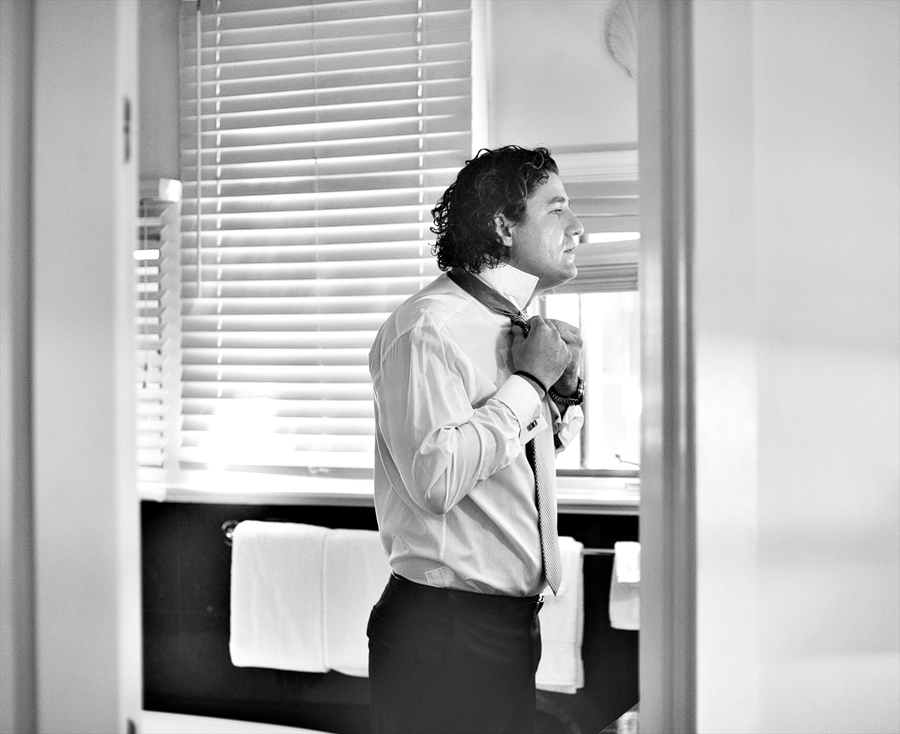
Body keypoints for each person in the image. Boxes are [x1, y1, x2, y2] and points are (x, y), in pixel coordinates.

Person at [366, 145, 586, 734]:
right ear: (501, 225)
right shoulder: (427, 328)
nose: (579, 229)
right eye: (557, 209)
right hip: (444, 635)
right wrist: (529, 382)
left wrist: (557, 396)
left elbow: (513, 466)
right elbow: (436, 480)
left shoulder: (514, 328)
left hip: (506, 627)